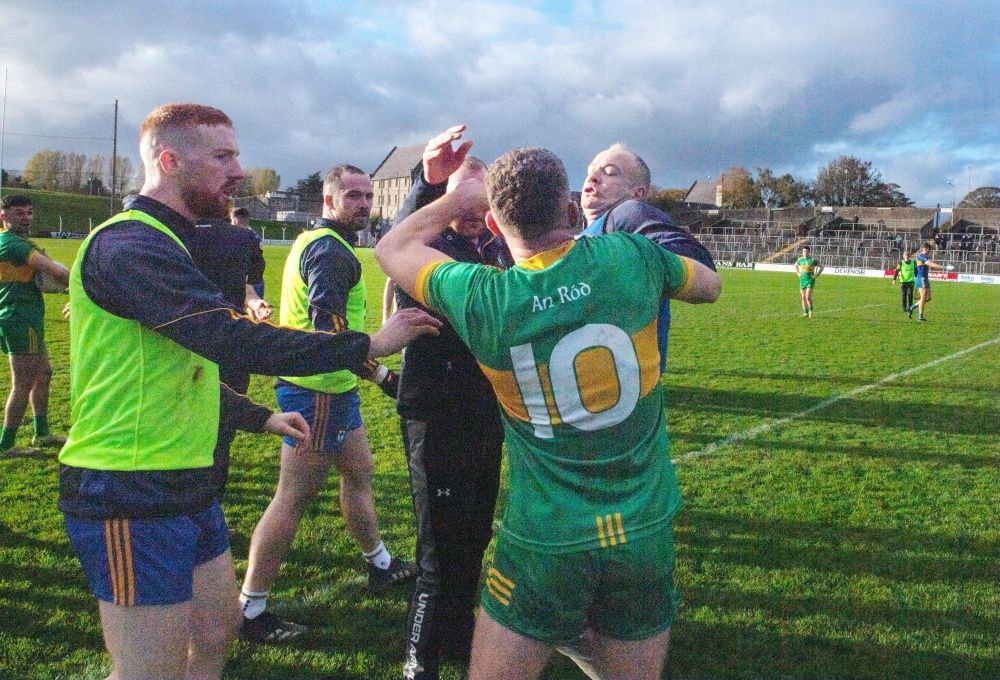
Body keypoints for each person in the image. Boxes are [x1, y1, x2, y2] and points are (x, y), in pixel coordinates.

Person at [58, 102, 440, 680]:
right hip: (128, 487)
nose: (238, 171)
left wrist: (258, 416)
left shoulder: (173, 242)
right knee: (149, 670)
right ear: (169, 161)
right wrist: (368, 345)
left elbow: (179, 368)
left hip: (186, 478)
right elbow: (228, 338)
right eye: (222, 157)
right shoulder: (130, 245)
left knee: (217, 630)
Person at [376, 144, 721, 680]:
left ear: (493, 222)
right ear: (568, 210)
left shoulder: (484, 296)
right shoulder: (632, 256)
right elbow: (710, 285)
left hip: (545, 538)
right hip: (643, 530)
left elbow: (392, 247)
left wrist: (458, 200)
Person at [239, 164, 418, 643]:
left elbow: (333, 339)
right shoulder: (331, 251)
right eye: (353, 195)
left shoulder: (318, 241)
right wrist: (382, 366)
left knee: (359, 470)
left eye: (368, 196)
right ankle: (251, 609)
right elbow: (329, 334)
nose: (364, 203)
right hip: (315, 391)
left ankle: (380, 564)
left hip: (333, 387)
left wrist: (375, 376)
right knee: (293, 497)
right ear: (329, 199)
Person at [385, 126, 505, 679]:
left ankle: (457, 638)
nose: (475, 211)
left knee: (476, 535)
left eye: (484, 200)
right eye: (465, 200)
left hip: (486, 412)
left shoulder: (498, 250)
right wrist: (431, 185)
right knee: (437, 549)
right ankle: (420, 657)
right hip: (435, 413)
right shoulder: (429, 248)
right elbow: (399, 240)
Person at [578, 143, 716, 372]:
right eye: (591, 170)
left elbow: (705, 272)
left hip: (622, 375)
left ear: (637, 193)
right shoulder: (586, 232)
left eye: (610, 172)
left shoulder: (629, 212)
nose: (592, 176)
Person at [0, 194, 70, 456]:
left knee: (44, 373)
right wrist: (81, 286)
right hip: (19, 319)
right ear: (4, 216)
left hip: (27, 316)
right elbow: (57, 272)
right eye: (19, 213)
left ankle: (42, 433)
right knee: (23, 381)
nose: (26, 218)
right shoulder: (13, 245)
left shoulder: (15, 241)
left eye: (29, 212)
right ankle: (6, 445)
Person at [231, 206, 267, 297]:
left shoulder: (239, 236)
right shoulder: (255, 235)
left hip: (244, 281)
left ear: (235, 220)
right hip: (257, 279)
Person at [908, 244, 943, 321]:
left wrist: (933, 266)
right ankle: (920, 316)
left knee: (928, 298)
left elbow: (930, 266)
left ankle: (912, 307)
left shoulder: (926, 257)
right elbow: (931, 264)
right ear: (925, 249)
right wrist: (944, 267)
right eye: (929, 249)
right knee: (923, 297)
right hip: (921, 278)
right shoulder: (921, 256)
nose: (930, 251)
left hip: (925, 278)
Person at [795, 246, 822, 317]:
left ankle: (811, 311)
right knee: (803, 297)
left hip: (810, 280)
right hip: (802, 280)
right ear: (802, 252)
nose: (805, 253)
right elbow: (795, 265)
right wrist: (798, 273)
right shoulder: (800, 259)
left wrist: (817, 275)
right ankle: (805, 312)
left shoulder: (813, 260)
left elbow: (822, 267)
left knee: (808, 297)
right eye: (804, 251)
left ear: (809, 252)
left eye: (806, 251)